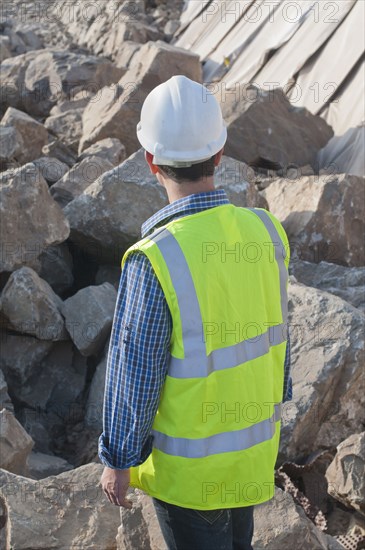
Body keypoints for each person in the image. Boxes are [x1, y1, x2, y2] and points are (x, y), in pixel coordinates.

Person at [99, 75, 292, 550]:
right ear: (220, 155)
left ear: (150, 162)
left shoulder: (154, 259)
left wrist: (118, 458)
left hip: (187, 478)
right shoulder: (265, 230)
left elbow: (136, 372)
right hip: (251, 455)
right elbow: (278, 338)